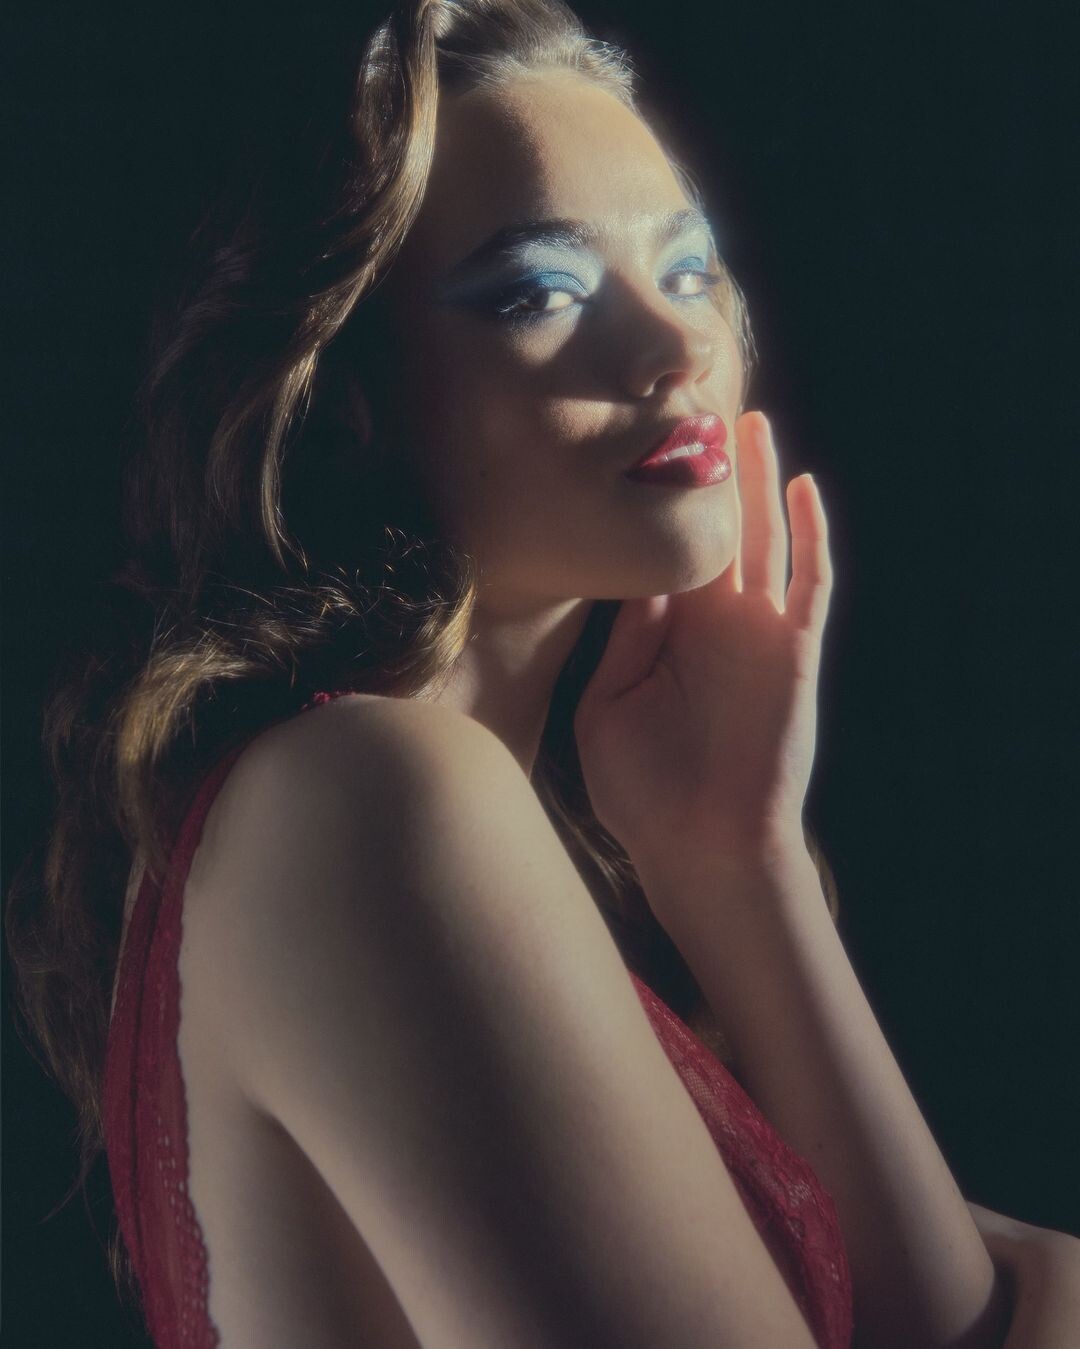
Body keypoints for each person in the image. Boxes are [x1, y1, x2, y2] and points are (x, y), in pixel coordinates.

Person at [6, 0, 1079, 1345]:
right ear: (344, 393)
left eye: (690, 268)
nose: (676, 347)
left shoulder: (426, 810)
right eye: (540, 293)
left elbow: (941, 1323)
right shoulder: (367, 790)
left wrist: (737, 860)